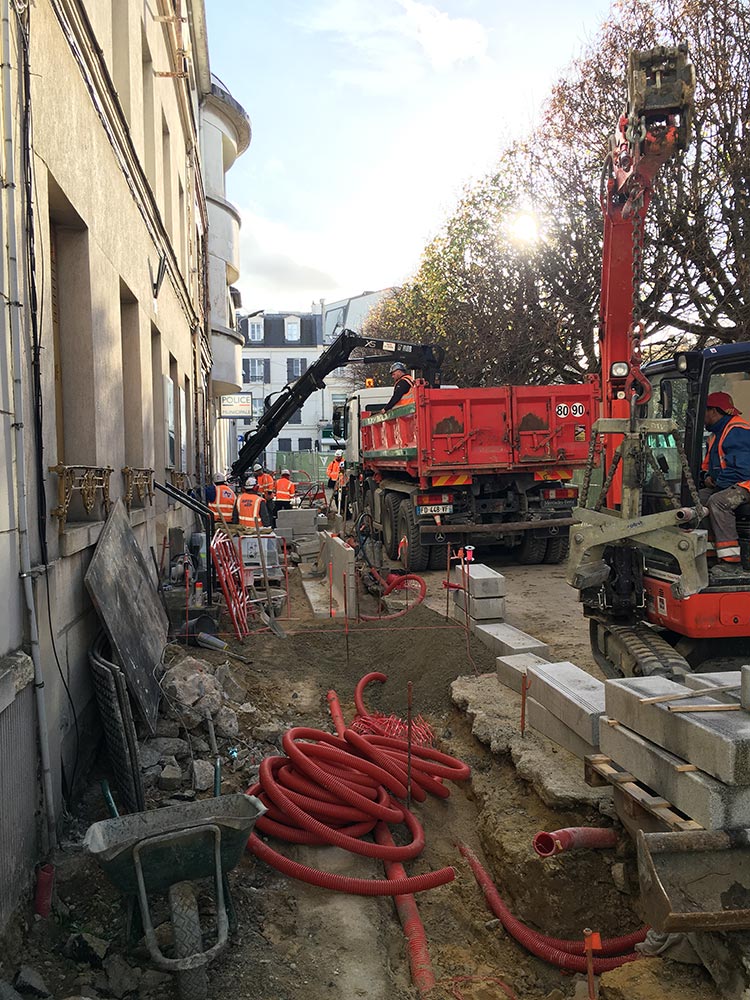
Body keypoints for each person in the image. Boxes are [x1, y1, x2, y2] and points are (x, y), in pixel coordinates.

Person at [700, 391, 750, 580]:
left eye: (704, 411)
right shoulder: (715, 435)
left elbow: (742, 470)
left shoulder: (737, 430)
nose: (702, 417)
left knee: (719, 502)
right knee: (697, 500)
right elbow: (708, 466)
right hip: (730, 484)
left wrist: (718, 482)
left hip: (746, 485)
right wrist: (707, 477)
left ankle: (731, 563)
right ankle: (710, 553)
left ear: (713, 411)